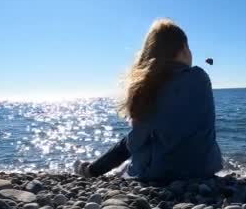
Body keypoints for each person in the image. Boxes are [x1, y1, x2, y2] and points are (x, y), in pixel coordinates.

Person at [74, 18, 222, 182]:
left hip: (160, 173)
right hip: (206, 169)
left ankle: (91, 170)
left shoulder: (148, 86)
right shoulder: (200, 77)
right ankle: (106, 170)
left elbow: (135, 141)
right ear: (182, 49)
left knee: (134, 145)